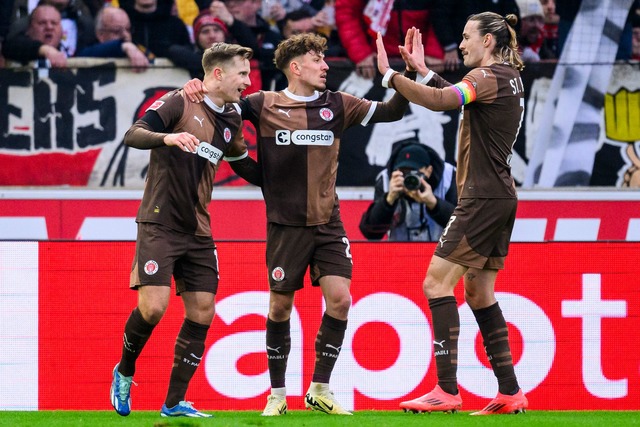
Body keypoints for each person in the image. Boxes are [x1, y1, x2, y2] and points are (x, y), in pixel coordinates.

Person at [183, 32, 414, 416]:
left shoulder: (339, 104)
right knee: (279, 309)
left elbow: (392, 111)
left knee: (340, 299)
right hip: (285, 225)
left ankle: (320, 389)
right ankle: (276, 395)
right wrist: (194, 86)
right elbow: (218, 102)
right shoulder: (261, 103)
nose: (326, 66)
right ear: (296, 67)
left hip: (328, 222)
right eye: (317, 60)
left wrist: (402, 75)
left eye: (324, 59)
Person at [375, 13, 528, 415]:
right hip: (500, 195)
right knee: (478, 292)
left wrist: (392, 78)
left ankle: (445, 390)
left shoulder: (486, 76)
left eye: (465, 37)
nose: (460, 45)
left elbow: (445, 101)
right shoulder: (505, 76)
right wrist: (423, 72)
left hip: (480, 198)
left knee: (435, 284)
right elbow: (453, 95)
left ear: (489, 42)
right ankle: (510, 393)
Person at [109, 42, 256, 418]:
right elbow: (133, 134)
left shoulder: (232, 118)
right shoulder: (179, 101)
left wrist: (285, 177)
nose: (248, 80)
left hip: (199, 230)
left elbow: (243, 164)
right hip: (159, 222)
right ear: (218, 74)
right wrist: (168, 137)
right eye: (242, 73)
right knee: (154, 307)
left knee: (203, 311)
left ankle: (174, 403)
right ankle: (124, 371)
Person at [359, 139, 457, 242]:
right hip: (401, 254)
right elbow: (371, 233)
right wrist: (389, 200)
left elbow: (464, 227)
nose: (408, 179)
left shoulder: (448, 178)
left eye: (414, 173)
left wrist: (434, 204)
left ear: (429, 170)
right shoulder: (386, 180)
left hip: (442, 253)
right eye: (403, 172)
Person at [335, 0, 444, 79]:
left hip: (422, 60)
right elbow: (346, 12)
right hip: (377, 61)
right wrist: (361, 53)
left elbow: (442, 12)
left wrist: (434, 51)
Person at [76, 6, 150, 71]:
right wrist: (122, 46)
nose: (126, 35)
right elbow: (82, 57)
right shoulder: (89, 51)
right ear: (101, 35)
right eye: (117, 31)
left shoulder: (139, 50)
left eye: (128, 29)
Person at [167, 10, 230, 79]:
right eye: (205, 32)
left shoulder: (237, 54)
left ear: (224, 35)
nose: (212, 36)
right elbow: (174, 50)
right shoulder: (191, 56)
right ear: (197, 38)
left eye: (216, 30)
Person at [2, 4, 68, 67]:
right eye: (42, 23)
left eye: (54, 23)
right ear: (29, 29)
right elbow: (10, 46)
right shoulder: (14, 46)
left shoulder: (70, 52)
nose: (49, 27)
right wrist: (44, 50)